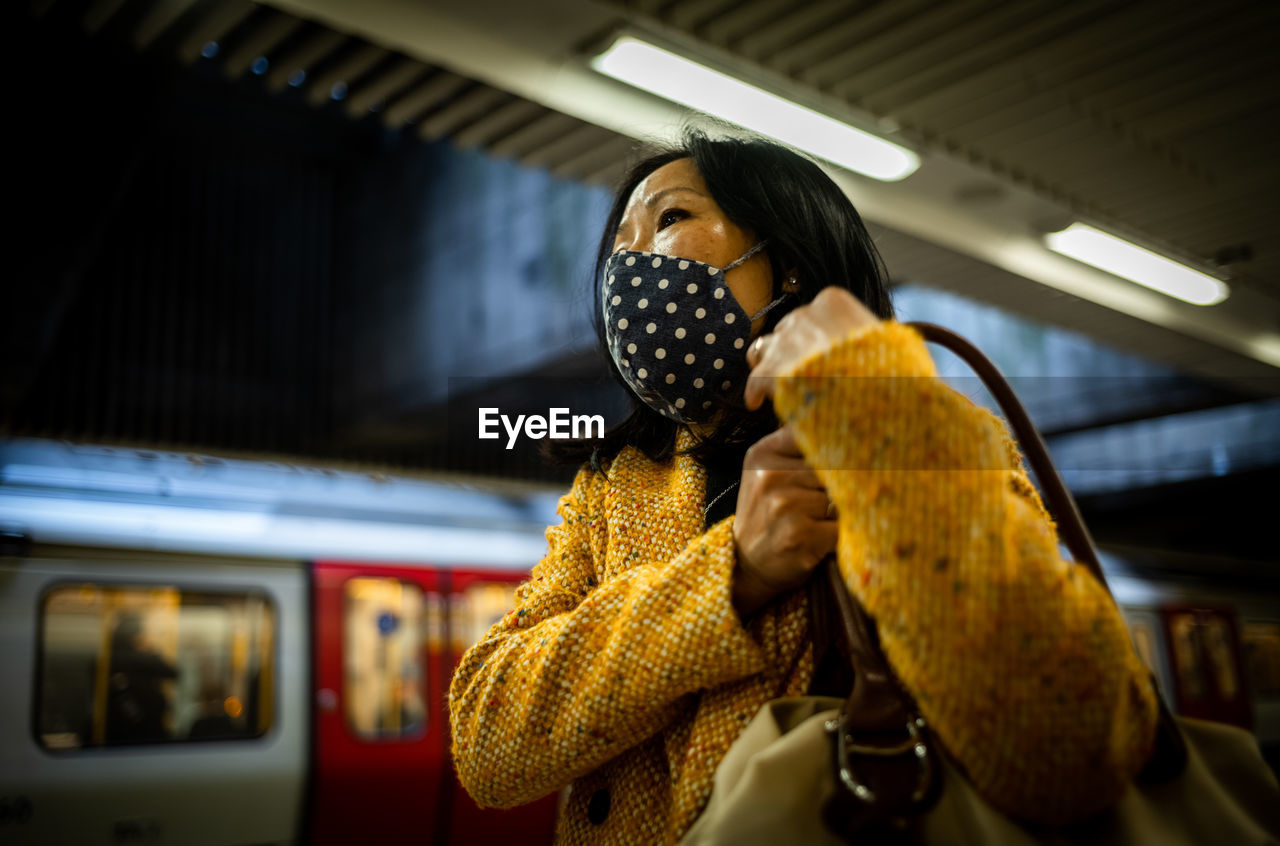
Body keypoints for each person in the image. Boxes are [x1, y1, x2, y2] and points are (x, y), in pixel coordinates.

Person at [449, 131, 1158, 844]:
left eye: (668, 220)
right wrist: (732, 577)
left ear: (784, 261)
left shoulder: (917, 431)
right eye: (617, 249)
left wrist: (865, 409)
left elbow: (1069, 747)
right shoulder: (617, 486)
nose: (627, 268)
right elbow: (487, 744)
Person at [105, 613, 178, 743]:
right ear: (135, 636)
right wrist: (151, 651)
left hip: (125, 728)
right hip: (142, 726)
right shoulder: (138, 659)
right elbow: (173, 673)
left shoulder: (113, 659)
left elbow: (173, 673)